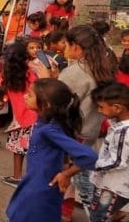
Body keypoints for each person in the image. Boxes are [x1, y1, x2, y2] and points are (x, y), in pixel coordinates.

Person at [5, 78, 98, 222]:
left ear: (46, 105)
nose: (25, 96)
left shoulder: (49, 130)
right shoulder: (47, 122)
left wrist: (66, 174)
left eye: (30, 95)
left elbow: (90, 156)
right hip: (34, 186)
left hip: (39, 193)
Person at [56, 25, 116, 209]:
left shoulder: (75, 73)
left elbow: (56, 102)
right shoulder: (102, 68)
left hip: (72, 135)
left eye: (67, 44)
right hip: (89, 133)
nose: (64, 48)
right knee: (83, 179)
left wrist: (48, 81)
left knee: (84, 187)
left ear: (76, 46)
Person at [0, 40, 39, 188]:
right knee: (33, 152)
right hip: (34, 117)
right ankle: (32, 181)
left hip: (18, 119)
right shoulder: (31, 74)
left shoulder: (7, 75)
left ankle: (17, 177)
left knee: (18, 150)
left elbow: (1, 85)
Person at [88, 82, 129, 222]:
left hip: (113, 186)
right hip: (111, 184)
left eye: (101, 107)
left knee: (98, 216)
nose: (99, 111)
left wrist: (93, 164)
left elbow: (117, 161)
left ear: (117, 108)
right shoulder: (119, 126)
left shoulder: (123, 131)